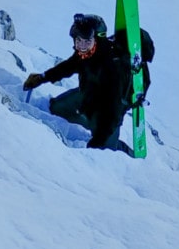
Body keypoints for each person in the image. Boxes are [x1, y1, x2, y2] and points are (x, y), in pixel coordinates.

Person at [23, 13, 127, 150]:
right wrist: (42, 77)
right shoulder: (85, 54)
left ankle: (126, 152)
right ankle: (91, 124)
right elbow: (68, 67)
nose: (82, 46)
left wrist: (100, 137)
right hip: (88, 95)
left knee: (106, 150)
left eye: (87, 41)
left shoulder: (111, 64)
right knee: (57, 108)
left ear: (95, 39)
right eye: (79, 41)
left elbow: (115, 106)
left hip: (109, 108)